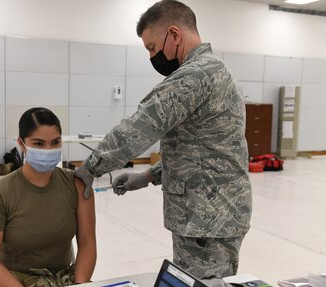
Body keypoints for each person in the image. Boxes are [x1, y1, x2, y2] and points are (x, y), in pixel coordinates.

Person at [74, 0, 252, 279]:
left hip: (205, 219)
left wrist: (91, 168)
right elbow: (205, 151)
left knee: (200, 283)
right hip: (212, 214)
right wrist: (148, 176)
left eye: (152, 48)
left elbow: (140, 127)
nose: (152, 57)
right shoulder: (216, 70)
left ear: (174, 34)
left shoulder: (195, 75)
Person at [0, 107, 96, 287]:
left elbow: (87, 244)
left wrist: (80, 285)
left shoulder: (77, 186)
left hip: (63, 279)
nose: (48, 149)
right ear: (21, 143)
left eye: (55, 142)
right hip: (11, 280)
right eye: (38, 144)